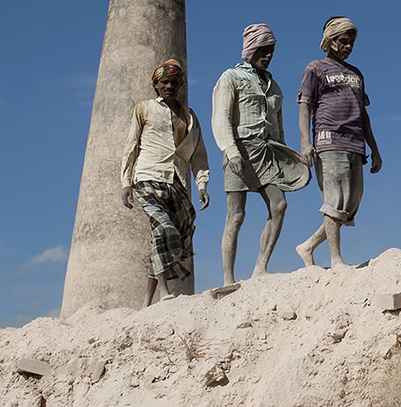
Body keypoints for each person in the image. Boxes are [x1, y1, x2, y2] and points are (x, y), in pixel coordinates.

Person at [211, 24, 310, 286]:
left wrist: (288, 156)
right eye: (263, 50)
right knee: (236, 215)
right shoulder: (230, 77)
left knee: (279, 205)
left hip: (268, 152)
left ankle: (260, 268)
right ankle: (228, 279)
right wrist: (231, 152)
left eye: (271, 51)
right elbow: (221, 118)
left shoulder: (274, 86)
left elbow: (279, 127)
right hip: (240, 149)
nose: (268, 55)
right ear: (251, 49)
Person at [121, 58, 211, 307]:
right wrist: (126, 182)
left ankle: (146, 302)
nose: (170, 86)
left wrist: (202, 184)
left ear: (180, 85)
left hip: (176, 182)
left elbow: (198, 154)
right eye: (164, 82)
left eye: (174, 82)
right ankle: (164, 290)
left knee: (167, 237)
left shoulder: (189, 117)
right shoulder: (144, 109)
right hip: (148, 176)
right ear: (156, 85)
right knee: (164, 229)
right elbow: (131, 146)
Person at [295, 17, 383, 269]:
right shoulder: (315, 69)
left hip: (355, 143)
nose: (348, 47)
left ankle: (308, 246)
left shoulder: (356, 74)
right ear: (330, 41)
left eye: (352, 42)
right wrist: (305, 143)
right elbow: (305, 108)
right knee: (334, 201)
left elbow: (363, 114)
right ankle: (336, 260)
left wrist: (375, 149)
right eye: (344, 41)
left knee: (349, 204)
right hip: (328, 139)